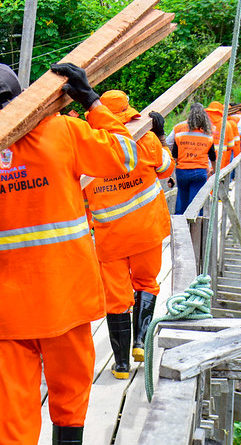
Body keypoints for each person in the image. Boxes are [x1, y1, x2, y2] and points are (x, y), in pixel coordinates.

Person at [0, 62, 138, 444]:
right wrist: (90, 100)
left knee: (11, 422)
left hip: (5, 312)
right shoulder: (63, 132)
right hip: (65, 301)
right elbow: (126, 156)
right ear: (26, 96)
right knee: (70, 400)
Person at [85, 90, 175, 379]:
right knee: (147, 283)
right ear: (128, 113)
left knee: (116, 298)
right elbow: (166, 169)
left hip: (110, 238)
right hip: (146, 230)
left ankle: (121, 365)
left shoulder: (89, 149)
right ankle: (140, 344)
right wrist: (160, 136)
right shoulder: (144, 141)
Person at [166, 103, 216, 214]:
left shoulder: (180, 132)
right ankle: (195, 229)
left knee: (181, 201)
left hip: (182, 171)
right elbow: (212, 156)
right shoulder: (207, 134)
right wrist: (214, 169)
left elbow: (174, 156)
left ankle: (179, 226)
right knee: (196, 203)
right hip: (200, 172)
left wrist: (170, 175)